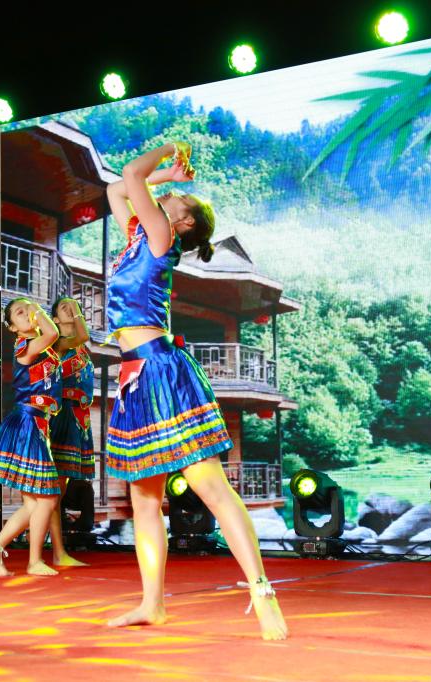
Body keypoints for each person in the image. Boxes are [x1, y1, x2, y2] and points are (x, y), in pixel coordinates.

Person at [103, 141, 287, 640]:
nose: (170, 195)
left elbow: (131, 174)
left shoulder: (161, 235)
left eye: (179, 198)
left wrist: (168, 154)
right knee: (143, 498)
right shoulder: (141, 235)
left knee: (211, 487)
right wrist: (168, 178)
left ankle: (262, 591)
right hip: (134, 377)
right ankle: (152, 603)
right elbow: (117, 189)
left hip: (161, 370)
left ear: (184, 223)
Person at [0, 297, 62, 577]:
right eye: (19, 312)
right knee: (47, 498)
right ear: (12, 327)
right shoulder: (24, 346)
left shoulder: (44, 349)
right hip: (28, 423)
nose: (27, 313)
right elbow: (52, 333)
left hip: (38, 423)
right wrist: (38, 311)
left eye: (29, 308)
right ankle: (33, 560)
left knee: (34, 503)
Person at [48, 297, 95, 566]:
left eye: (73, 306)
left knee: (60, 488)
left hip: (79, 418)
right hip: (61, 415)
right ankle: (55, 549)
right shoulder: (56, 342)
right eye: (64, 308)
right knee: (54, 489)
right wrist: (78, 313)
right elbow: (82, 334)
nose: (71, 309)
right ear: (55, 319)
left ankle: (57, 548)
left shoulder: (82, 349)